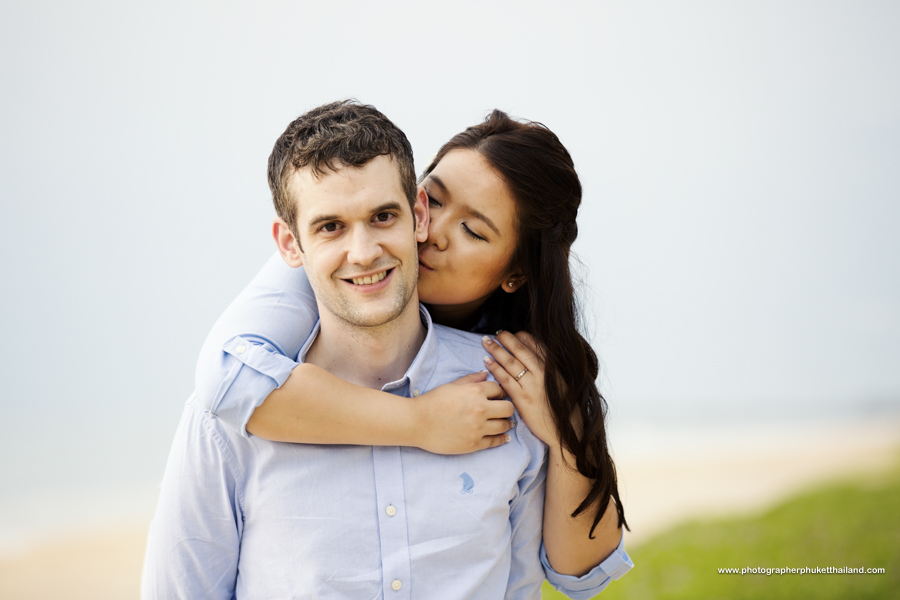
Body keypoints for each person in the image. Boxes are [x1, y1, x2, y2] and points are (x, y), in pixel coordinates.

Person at [143, 101, 629, 599]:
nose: (431, 234)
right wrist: (420, 421)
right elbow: (226, 379)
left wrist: (567, 434)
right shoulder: (274, 336)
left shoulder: (512, 388)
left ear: (514, 274)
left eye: (473, 230)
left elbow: (573, 574)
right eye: (435, 201)